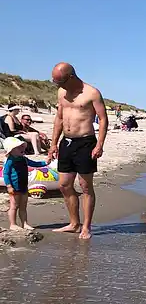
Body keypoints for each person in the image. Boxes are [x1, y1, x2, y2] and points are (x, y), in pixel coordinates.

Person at [47, 62, 108, 240]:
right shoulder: (62, 92)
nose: (58, 86)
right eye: (56, 83)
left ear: (71, 77)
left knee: (85, 186)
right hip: (66, 142)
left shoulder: (92, 93)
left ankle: (86, 227)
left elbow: (103, 119)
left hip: (85, 143)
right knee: (64, 185)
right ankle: (74, 224)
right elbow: (59, 118)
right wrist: (53, 144)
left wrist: (99, 145)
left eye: (60, 82)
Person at [3, 138, 48, 230]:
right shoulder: (10, 161)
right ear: (11, 151)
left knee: (23, 206)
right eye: (18, 147)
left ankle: (25, 223)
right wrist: (9, 186)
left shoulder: (24, 159)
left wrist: (45, 162)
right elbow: (6, 174)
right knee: (14, 206)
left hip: (23, 186)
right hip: (14, 187)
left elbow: (34, 163)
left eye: (22, 147)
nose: (22, 149)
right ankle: (13, 224)